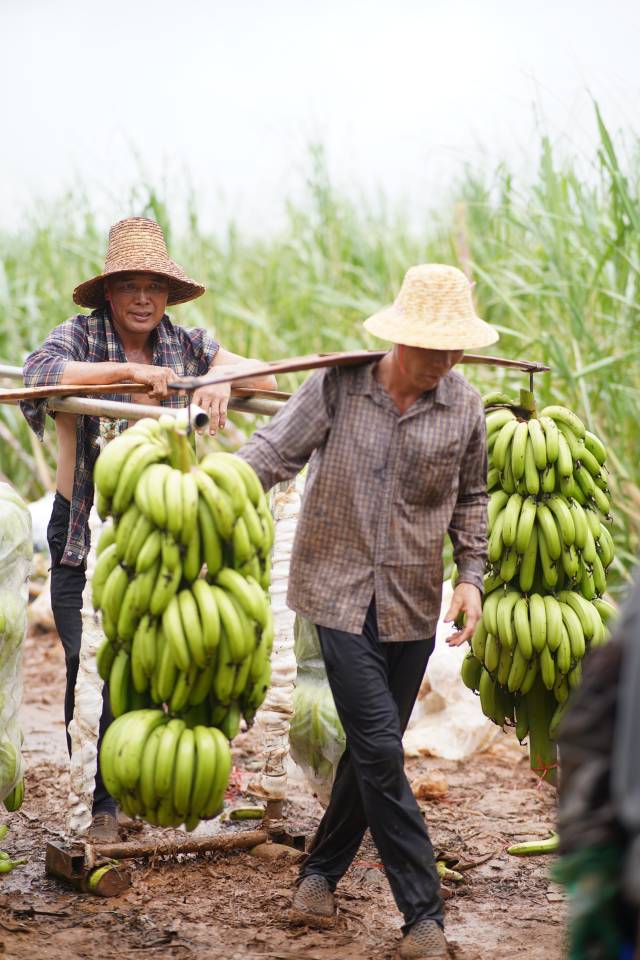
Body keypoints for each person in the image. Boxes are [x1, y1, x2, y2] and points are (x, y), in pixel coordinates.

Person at [237, 263, 498, 960]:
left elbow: (472, 498)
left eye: (454, 349)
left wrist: (470, 576)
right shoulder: (337, 387)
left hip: (413, 602)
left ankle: (318, 875)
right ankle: (423, 915)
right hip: (335, 594)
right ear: (399, 337)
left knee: (366, 752)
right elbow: (270, 454)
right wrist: (207, 487)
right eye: (432, 347)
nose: (444, 362)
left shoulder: (464, 407)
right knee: (384, 750)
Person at [20, 217, 276, 842]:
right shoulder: (79, 337)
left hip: (165, 543)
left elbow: (266, 379)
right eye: (130, 285)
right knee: (93, 663)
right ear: (108, 292)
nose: (142, 298)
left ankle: (151, 779)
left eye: (154, 286)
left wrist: (219, 375)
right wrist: (124, 378)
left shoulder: (185, 344)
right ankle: (100, 802)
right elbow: (38, 372)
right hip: (84, 528)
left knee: (152, 660)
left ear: (168, 293)